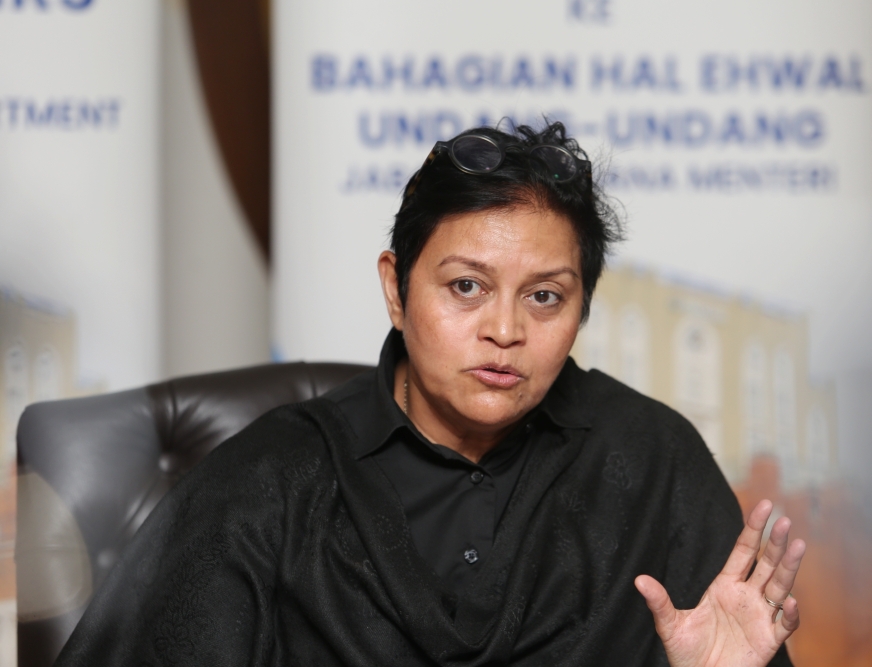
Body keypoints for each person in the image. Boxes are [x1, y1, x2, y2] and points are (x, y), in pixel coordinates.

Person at [56, 122, 804, 666]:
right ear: (396, 288)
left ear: (582, 310)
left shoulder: (652, 463)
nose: (505, 330)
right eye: (466, 287)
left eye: (545, 297)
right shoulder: (270, 480)